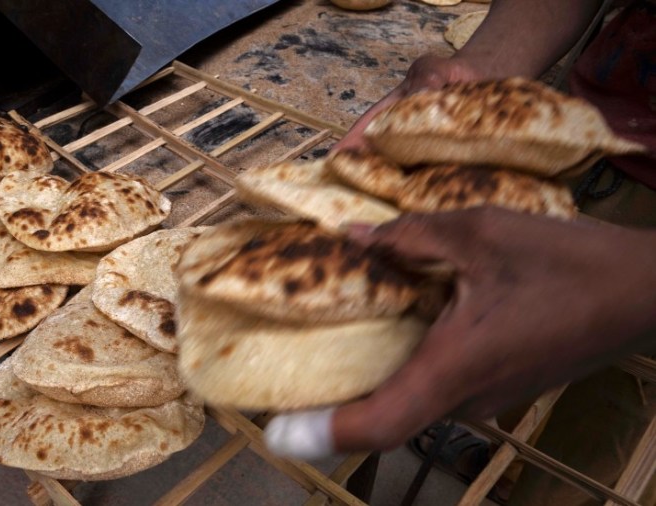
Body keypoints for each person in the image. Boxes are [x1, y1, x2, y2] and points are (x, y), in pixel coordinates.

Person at [264, 1, 656, 504]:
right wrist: (485, 66)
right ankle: (499, 458)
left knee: (602, 434)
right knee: (500, 359)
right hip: (563, 130)